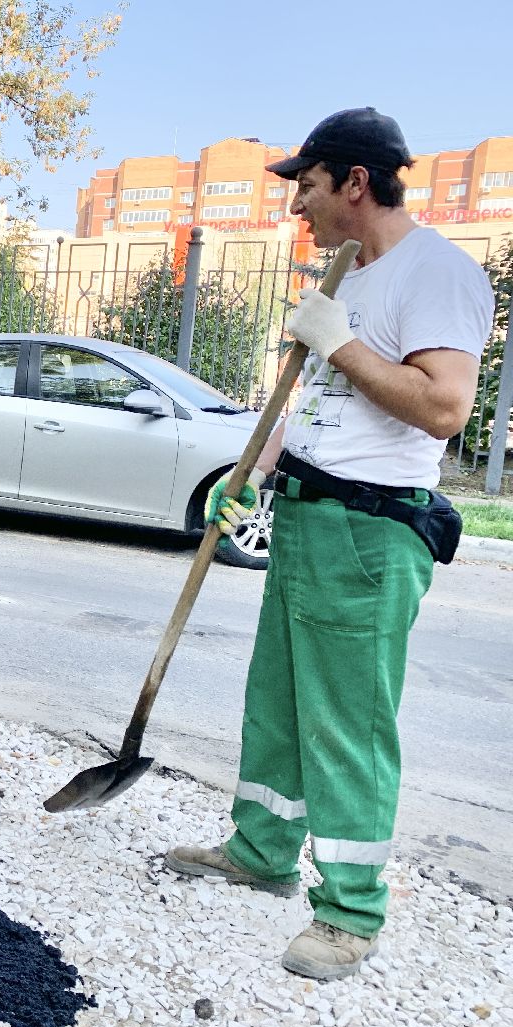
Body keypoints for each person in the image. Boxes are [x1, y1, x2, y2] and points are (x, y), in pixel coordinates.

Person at [165, 108, 495, 980]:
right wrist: (250, 471)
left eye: (306, 186)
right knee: (276, 702)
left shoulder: (437, 273)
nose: (296, 205)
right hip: (307, 516)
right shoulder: (348, 274)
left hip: (371, 531)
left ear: (355, 182)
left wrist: (339, 342)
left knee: (348, 724)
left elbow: (444, 407)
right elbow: (308, 404)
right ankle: (261, 852)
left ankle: (349, 913)